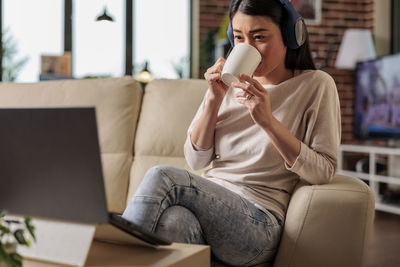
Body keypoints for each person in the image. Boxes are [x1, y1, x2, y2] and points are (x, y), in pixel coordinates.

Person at [122, 0, 341, 266]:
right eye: (239, 38)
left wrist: (268, 122)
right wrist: (214, 100)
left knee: (162, 176)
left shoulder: (315, 85)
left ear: (290, 36)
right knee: (174, 222)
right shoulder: (227, 84)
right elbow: (196, 161)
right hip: (212, 206)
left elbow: (323, 170)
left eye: (259, 37)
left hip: (260, 223)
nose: (247, 47)